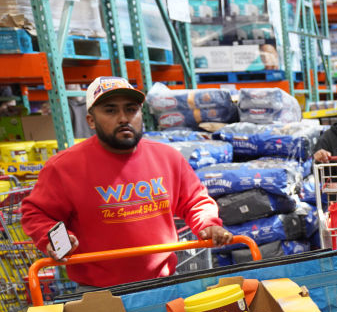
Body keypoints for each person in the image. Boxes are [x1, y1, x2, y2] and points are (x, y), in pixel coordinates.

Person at [21, 76, 231, 289]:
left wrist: (208, 224)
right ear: (91, 121)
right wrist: (58, 239)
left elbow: (195, 200)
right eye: (110, 111)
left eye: (131, 109)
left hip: (165, 283)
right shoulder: (64, 167)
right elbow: (36, 213)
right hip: (100, 293)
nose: (123, 118)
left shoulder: (168, 158)